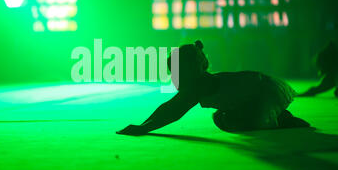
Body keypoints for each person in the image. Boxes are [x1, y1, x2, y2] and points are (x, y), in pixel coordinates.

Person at [117, 40, 309, 135]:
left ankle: (280, 118)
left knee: (237, 123)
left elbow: (172, 110)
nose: (174, 78)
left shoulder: (198, 86)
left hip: (266, 92)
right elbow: (170, 106)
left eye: (176, 73)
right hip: (258, 92)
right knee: (222, 118)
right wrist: (143, 125)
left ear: (190, 71)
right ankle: (278, 116)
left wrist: (144, 128)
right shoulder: (198, 82)